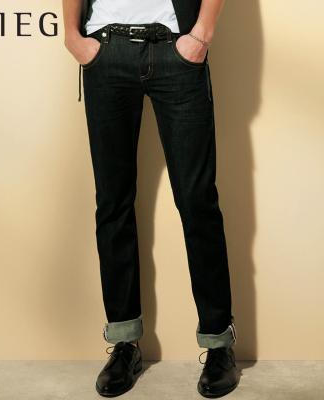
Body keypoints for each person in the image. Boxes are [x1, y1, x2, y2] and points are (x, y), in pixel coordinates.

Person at [62, 0, 240, 397]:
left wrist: (202, 35)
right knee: (113, 202)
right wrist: (73, 36)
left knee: (197, 201)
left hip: (176, 48)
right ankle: (124, 342)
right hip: (106, 50)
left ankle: (218, 343)